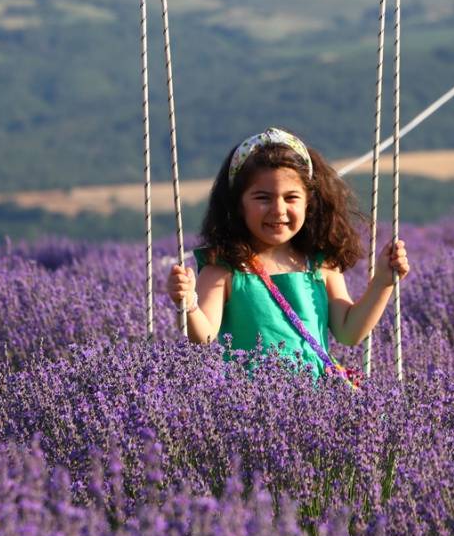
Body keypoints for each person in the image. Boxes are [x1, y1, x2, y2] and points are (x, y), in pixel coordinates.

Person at [166, 127, 410, 381]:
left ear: (309, 202)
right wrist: (188, 305)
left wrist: (382, 281)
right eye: (263, 198)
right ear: (238, 204)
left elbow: (349, 331)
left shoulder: (319, 264)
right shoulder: (224, 267)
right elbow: (203, 337)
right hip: (251, 404)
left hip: (318, 401)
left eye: (291, 197)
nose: (278, 210)